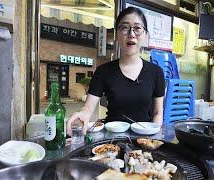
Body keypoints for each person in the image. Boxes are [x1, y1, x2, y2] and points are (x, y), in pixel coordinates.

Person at [67, 7, 165, 135]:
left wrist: (152, 138)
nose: (131, 34)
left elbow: (157, 113)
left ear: (145, 35)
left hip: (143, 137)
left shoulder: (156, 72)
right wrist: (82, 115)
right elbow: (87, 108)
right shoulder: (103, 71)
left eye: (137, 28)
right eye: (124, 28)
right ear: (117, 35)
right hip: (110, 140)